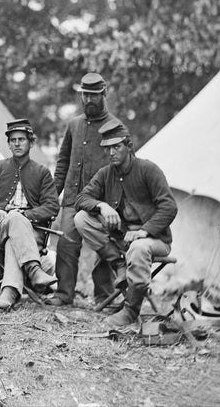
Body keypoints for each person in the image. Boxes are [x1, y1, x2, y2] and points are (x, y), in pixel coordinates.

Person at [74, 119, 177, 326]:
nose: (111, 152)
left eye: (116, 146)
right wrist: (102, 206)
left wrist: (144, 231)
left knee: (138, 248)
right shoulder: (106, 174)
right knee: (81, 218)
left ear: (129, 146)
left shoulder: (148, 170)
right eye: (108, 148)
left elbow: (169, 207)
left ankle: (130, 311)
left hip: (154, 241)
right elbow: (81, 199)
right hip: (122, 240)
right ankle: (119, 263)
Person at [0, 118, 59, 311]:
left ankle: (9, 292)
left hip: (32, 232)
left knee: (15, 235)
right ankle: (35, 271)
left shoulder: (41, 172)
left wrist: (26, 215)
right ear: (8, 144)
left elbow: (52, 206)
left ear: (31, 142)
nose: (17, 143)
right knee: (13, 220)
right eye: (13, 140)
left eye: (22, 139)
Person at [47, 72, 119, 308]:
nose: (88, 100)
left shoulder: (116, 127)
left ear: (104, 94)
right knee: (66, 244)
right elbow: (63, 162)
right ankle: (64, 293)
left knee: (103, 247)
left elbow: (124, 169)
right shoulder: (74, 125)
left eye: (93, 95)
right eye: (84, 95)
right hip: (71, 199)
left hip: (102, 202)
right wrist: (52, 195)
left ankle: (104, 296)